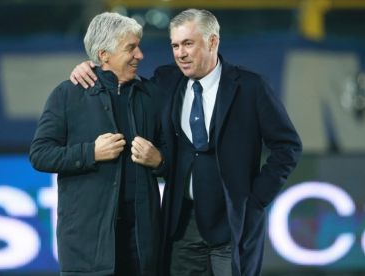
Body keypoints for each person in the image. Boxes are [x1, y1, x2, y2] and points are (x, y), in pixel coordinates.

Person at [70, 9, 302, 276]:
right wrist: (92, 68)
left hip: (232, 223)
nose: (180, 53)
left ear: (212, 42)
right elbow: (121, 82)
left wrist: (256, 199)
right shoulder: (166, 81)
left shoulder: (250, 87)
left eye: (188, 44)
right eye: (175, 45)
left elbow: (288, 146)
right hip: (181, 226)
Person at [30, 12, 165, 276]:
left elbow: (174, 155)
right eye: (131, 48)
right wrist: (90, 152)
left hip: (142, 245)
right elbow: (40, 154)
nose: (140, 55)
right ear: (104, 55)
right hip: (87, 249)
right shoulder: (68, 94)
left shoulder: (151, 95)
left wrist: (160, 159)